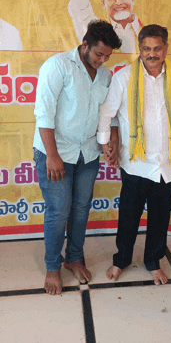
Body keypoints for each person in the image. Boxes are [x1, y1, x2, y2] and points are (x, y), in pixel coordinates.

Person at [97, 24, 171, 285]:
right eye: (146, 49)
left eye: (156, 48)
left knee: (160, 218)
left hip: (167, 163)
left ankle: (153, 262)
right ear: (139, 49)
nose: (151, 54)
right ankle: (121, 261)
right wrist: (105, 144)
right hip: (135, 164)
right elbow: (106, 113)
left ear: (166, 48)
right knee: (128, 218)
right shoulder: (124, 77)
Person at [33, 20, 121, 295]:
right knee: (58, 212)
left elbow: (110, 114)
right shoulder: (57, 66)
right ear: (85, 45)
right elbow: (44, 115)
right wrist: (52, 156)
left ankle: (73, 257)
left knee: (81, 209)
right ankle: (52, 267)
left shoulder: (105, 75)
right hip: (56, 153)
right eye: (98, 54)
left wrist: (111, 141)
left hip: (88, 154)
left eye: (107, 56)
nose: (102, 60)